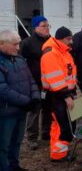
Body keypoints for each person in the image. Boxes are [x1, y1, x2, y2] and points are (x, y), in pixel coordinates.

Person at [0, 30, 40, 171]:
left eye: (19, 44)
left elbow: (30, 80)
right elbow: (3, 90)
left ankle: (14, 166)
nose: (18, 47)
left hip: (21, 110)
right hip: (5, 113)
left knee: (16, 142)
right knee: (3, 145)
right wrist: (26, 101)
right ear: (1, 44)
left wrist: (35, 98)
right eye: (14, 44)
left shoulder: (19, 59)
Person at [41, 27, 77, 162]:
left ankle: (59, 153)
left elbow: (68, 74)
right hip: (57, 96)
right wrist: (67, 96)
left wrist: (72, 91)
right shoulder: (51, 53)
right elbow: (55, 79)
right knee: (63, 126)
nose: (71, 41)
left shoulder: (63, 52)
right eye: (69, 39)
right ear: (61, 39)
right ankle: (58, 154)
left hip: (63, 94)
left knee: (61, 125)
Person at [20, 15, 52, 150]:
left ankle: (46, 133)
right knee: (34, 110)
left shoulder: (52, 41)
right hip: (34, 83)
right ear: (35, 28)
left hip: (50, 82)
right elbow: (21, 62)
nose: (47, 28)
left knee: (48, 108)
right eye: (43, 26)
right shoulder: (28, 43)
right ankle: (32, 137)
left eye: (48, 26)